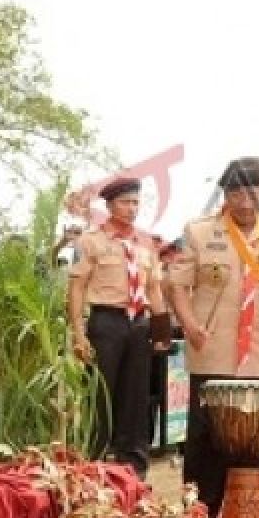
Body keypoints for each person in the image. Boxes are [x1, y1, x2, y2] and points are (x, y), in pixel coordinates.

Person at [168, 157, 259, 518]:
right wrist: (190, 326)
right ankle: (200, 515)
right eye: (235, 192)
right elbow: (177, 287)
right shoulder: (198, 233)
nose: (245, 201)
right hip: (213, 347)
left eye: (253, 191)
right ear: (225, 194)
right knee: (206, 438)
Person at [67, 178, 171, 479]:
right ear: (110, 205)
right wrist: (78, 333)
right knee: (101, 393)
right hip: (106, 321)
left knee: (136, 396)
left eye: (136, 203)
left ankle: (134, 467)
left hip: (138, 324)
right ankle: (93, 462)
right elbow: (76, 289)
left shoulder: (146, 244)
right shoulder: (90, 242)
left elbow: (154, 290)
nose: (132, 209)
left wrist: (162, 331)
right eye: (125, 202)